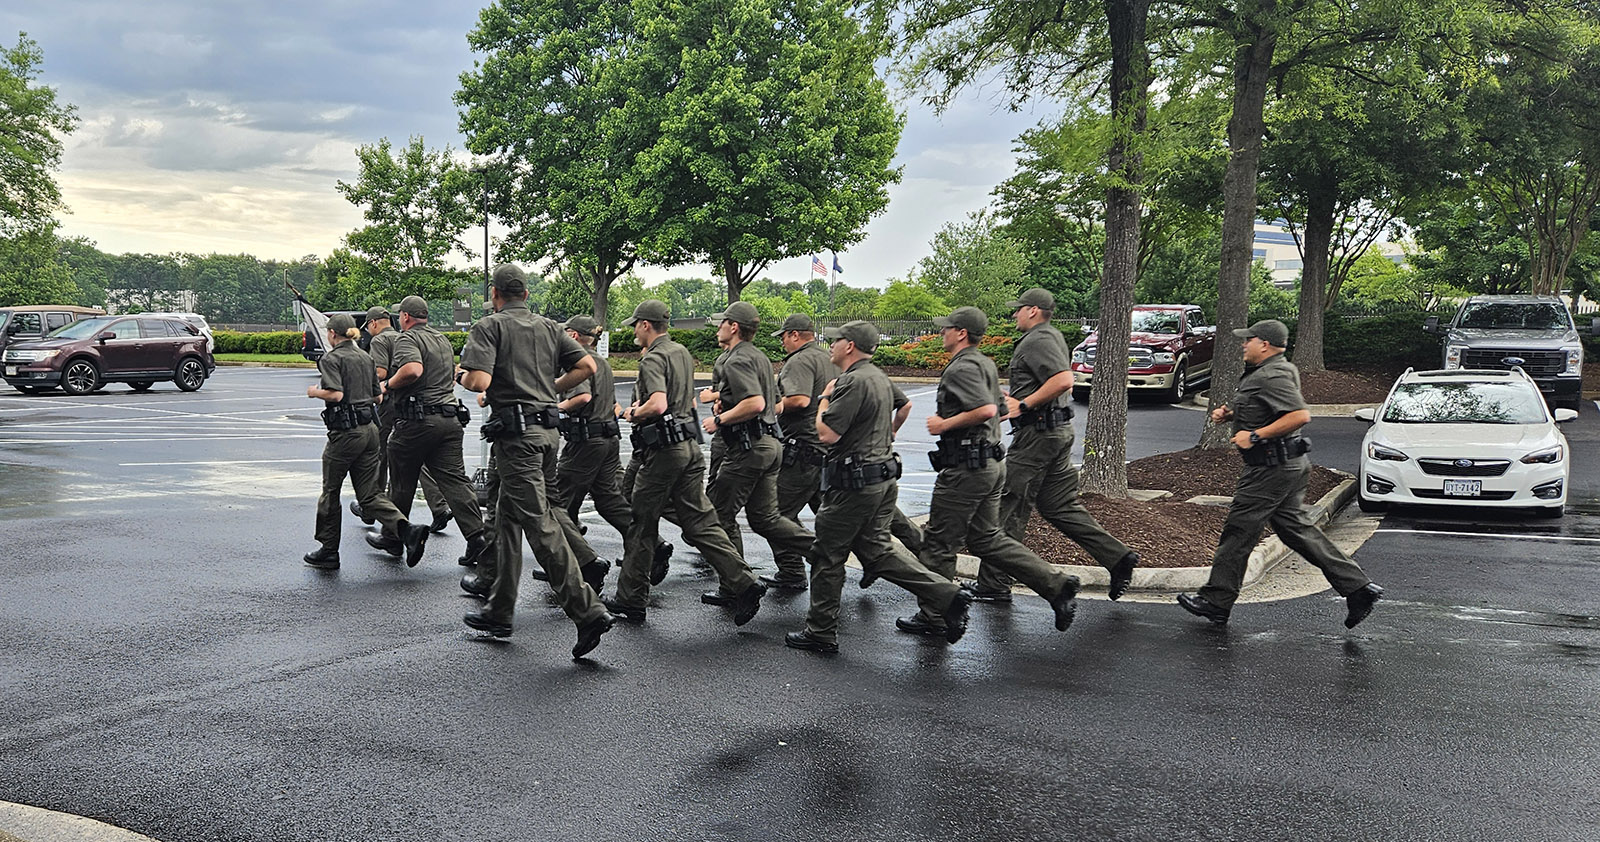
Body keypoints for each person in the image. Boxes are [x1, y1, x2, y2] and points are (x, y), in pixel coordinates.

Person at [1177, 319, 1383, 628]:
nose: (1243, 344)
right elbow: (1271, 408)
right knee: (1295, 529)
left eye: (1249, 340)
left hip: (1269, 468)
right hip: (1284, 465)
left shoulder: (1273, 374)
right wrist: (1233, 415)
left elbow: (1299, 415)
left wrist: (1256, 435)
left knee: (1239, 531)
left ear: (1265, 344)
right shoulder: (1271, 371)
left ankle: (1216, 600)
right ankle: (1358, 588)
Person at [456, 264, 614, 660]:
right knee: (506, 521)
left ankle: (588, 611)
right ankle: (499, 610)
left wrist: (462, 374)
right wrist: (548, 388)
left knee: (540, 526)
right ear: (525, 294)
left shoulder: (490, 327)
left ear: (495, 294)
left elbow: (478, 382)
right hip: (548, 435)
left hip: (517, 441)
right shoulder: (549, 327)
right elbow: (587, 367)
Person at [785, 321, 971, 654]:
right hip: (882, 480)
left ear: (850, 346)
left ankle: (820, 631)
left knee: (828, 556)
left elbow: (827, 434)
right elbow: (904, 406)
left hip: (854, 484)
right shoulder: (878, 377)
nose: (831, 345)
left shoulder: (852, 382)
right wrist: (889, 433)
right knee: (877, 552)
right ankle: (946, 594)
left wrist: (824, 402)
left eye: (836, 340)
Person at [899, 307, 1081, 637]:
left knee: (939, 543)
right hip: (990, 465)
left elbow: (985, 410)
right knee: (987, 539)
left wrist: (944, 424)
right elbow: (999, 406)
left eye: (947, 328)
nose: (942, 333)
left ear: (961, 333)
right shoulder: (983, 362)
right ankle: (1056, 585)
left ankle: (935, 615)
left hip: (967, 469)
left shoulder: (963, 366)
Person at [972, 287, 1139, 603]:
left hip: (1038, 437)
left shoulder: (1038, 339)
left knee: (1009, 505)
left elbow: (1064, 380)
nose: (1015, 314)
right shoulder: (1052, 336)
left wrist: (1023, 405)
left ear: (1033, 311)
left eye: (1018, 309)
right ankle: (1117, 558)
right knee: (1058, 506)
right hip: (1056, 433)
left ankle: (993, 584)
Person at [608, 299, 768, 626]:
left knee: (641, 523)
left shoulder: (653, 358)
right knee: (702, 522)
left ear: (645, 325)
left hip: (662, 452)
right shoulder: (681, 353)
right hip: (689, 448)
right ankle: (744, 581)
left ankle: (631, 599)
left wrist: (630, 412)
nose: (635, 331)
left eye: (636, 325)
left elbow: (657, 404)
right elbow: (689, 399)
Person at [699, 302, 815, 599]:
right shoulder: (761, 357)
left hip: (748, 448)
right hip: (771, 445)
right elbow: (775, 403)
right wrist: (730, 403)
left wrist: (720, 419)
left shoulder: (736, 359)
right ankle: (825, 553)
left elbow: (756, 404)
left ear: (734, 327)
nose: (719, 329)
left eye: (722, 323)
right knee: (766, 519)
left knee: (717, 515)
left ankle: (736, 585)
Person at [364, 296, 489, 568]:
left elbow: (412, 370)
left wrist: (387, 385)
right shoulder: (442, 339)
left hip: (417, 421)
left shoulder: (407, 339)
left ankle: (393, 536)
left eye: (401, 316)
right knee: (455, 481)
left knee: (401, 480)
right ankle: (478, 539)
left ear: (406, 317)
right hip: (448, 419)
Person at [301, 313, 428, 570]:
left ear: (333, 334)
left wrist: (315, 392)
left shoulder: (332, 358)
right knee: (370, 494)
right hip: (370, 430)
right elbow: (378, 397)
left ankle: (328, 550)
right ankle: (407, 530)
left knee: (330, 491)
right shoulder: (365, 356)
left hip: (345, 434)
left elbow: (335, 394)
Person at [350, 306, 452, 534]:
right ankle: (439, 506)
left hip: (388, 404)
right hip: (411, 405)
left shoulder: (378, 342)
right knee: (419, 458)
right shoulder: (404, 337)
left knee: (381, 454)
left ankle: (371, 507)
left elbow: (380, 372)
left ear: (374, 323)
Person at [552, 314, 632, 542]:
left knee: (561, 502)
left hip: (586, 441)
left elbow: (582, 396)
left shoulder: (578, 361)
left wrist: (555, 408)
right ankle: (652, 546)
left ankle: (573, 563)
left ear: (573, 335)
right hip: (607, 439)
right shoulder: (602, 362)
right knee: (609, 500)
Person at [768, 313, 832, 586]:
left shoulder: (799, 360)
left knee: (775, 515)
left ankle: (794, 569)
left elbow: (798, 399)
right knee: (832, 518)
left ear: (795, 334)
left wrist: (773, 406)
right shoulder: (829, 359)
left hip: (803, 449)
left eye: (783, 336)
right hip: (826, 449)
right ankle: (868, 560)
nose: (782, 342)